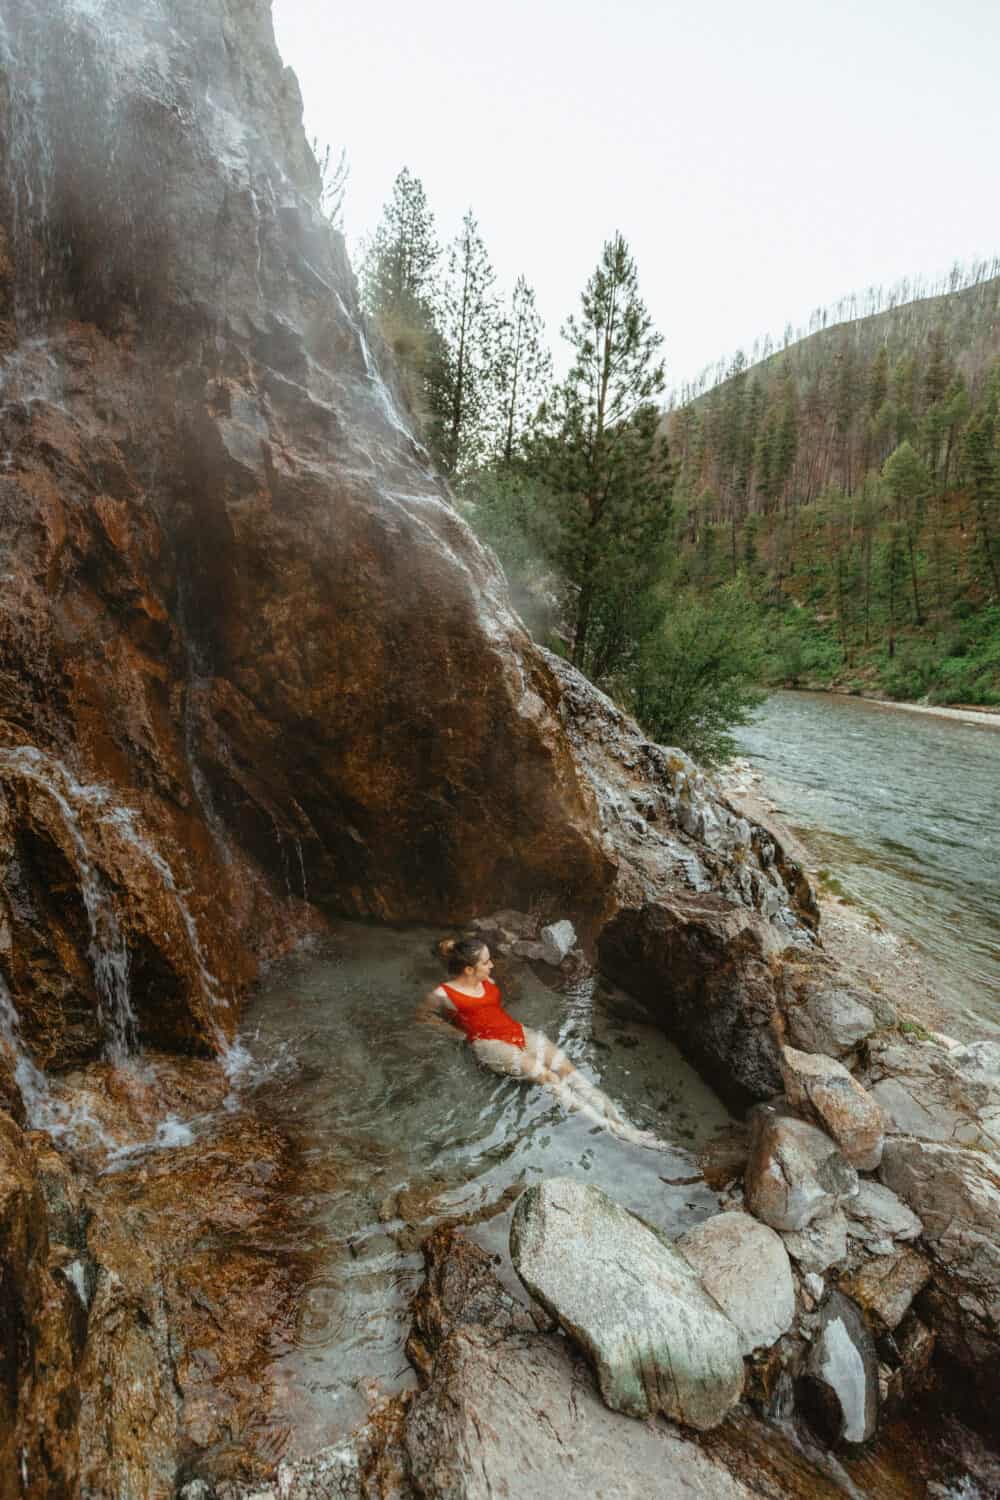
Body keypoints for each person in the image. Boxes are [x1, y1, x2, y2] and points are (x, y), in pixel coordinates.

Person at [418, 935, 666, 1151]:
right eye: (486, 962)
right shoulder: (442, 994)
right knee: (549, 1078)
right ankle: (614, 1130)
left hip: (515, 1030)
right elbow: (422, 1017)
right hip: (488, 1043)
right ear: (469, 969)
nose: (492, 965)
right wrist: (456, 1034)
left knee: (568, 1071)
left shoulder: (485, 980)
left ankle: (626, 1124)